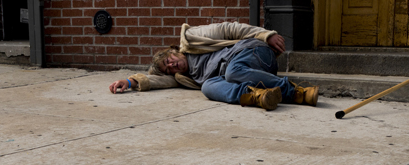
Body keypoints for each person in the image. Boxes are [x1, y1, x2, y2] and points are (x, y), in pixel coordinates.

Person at [108, 22, 318, 111]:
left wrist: (266, 35)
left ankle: (294, 91)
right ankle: (259, 96)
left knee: (232, 71)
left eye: (168, 60)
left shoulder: (192, 38)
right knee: (208, 87)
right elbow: (157, 80)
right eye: (168, 69)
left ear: (174, 51)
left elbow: (229, 28)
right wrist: (129, 81)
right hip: (249, 76)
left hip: (253, 53)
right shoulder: (185, 76)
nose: (172, 66)